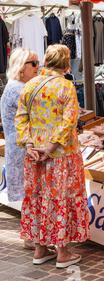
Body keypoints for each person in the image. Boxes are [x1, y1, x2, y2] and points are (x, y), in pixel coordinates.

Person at [15, 44, 90, 268]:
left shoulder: (30, 86)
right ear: (66, 63)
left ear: (46, 62)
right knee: (62, 198)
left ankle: (39, 249)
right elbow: (69, 122)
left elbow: (20, 118)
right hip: (61, 155)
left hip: (34, 155)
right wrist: (51, 146)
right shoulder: (66, 87)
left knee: (38, 198)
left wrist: (28, 143)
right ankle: (63, 253)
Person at [0, 48, 39, 250]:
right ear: (20, 67)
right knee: (30, 193)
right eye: (33, 63)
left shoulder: (18, 86)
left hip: (21, 147)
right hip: (22, 149)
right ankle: (31, 236)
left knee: (29, 194)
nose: (37, 67)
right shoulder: (18, 89)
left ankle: (31, 235)